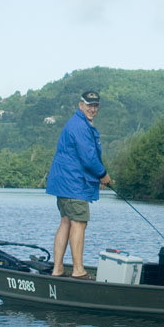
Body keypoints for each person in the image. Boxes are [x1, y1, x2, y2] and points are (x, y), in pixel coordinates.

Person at [45, 91, 113, 278]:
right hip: (73, 184)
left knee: (66, 221)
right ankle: (78, 270)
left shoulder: (78, 123)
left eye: (95, 105)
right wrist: (103, 175)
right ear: (80, 105)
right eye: (89, 105)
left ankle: (58, 268)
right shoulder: (80, 126)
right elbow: (89, 158)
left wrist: (96, 177)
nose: (92, 109)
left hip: (66, 183)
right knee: (79, 223)